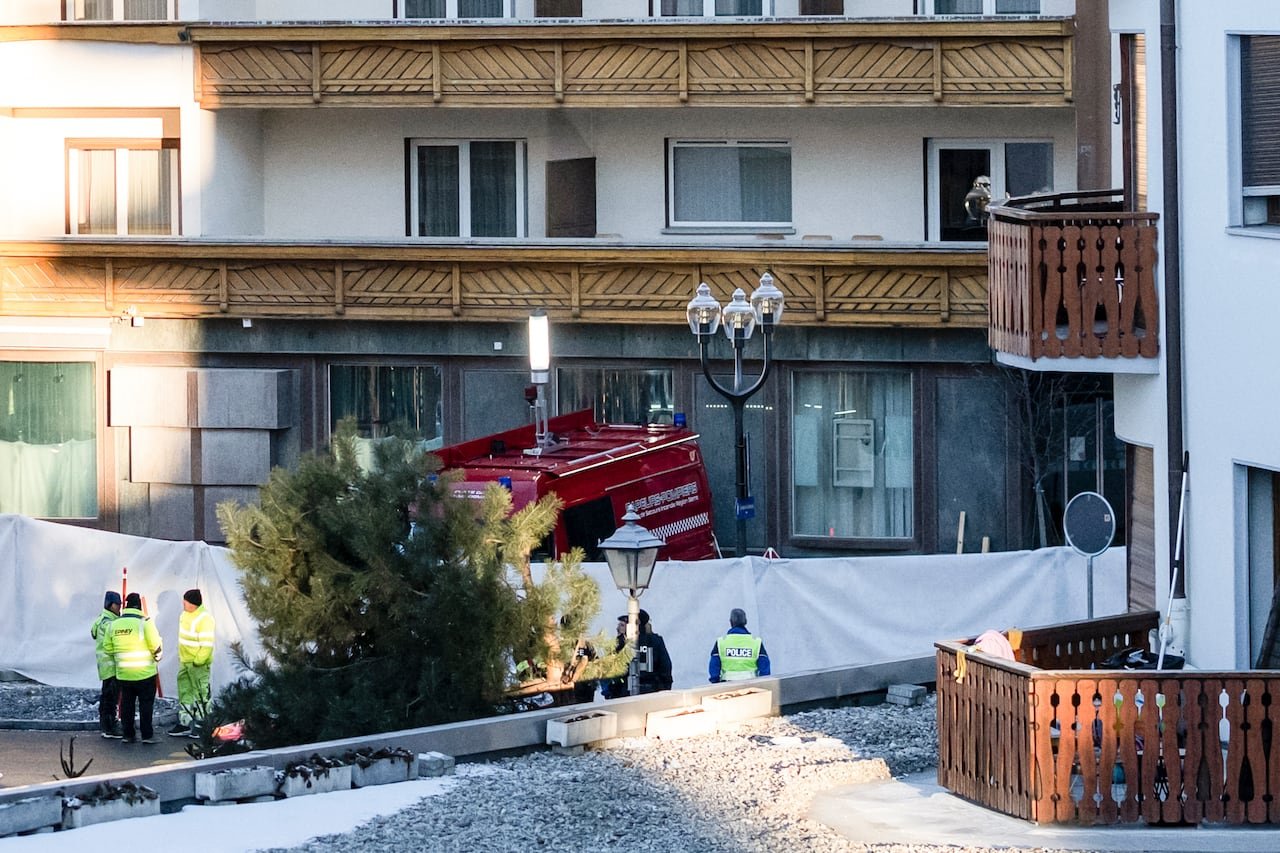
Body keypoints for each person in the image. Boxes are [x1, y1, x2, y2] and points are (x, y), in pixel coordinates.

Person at [104, 592, 163, 744]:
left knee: (126, 705)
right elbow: (155, 645)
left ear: (126, 605)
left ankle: (128, 734)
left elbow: (107, 648)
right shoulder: (145, 623)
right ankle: (147, 735)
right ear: (139, 606)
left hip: (124, 674)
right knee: (146, 705)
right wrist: (157, 658)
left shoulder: (114, 624)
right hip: (145, 673)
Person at [170, 588, 214, 738]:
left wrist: (198, 661)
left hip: (197, 664)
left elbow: (207, 645)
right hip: (185, 661)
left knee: (201, 694)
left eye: (185, 601)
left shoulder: (204, 619)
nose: (183, 604)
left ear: (192, 603)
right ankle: (185, 722)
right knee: (185, 693)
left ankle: (202, 725)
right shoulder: (185, 615)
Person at [602, 609, 673, 698]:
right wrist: (664, 688)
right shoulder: (655, 640)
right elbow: (666, 666)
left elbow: (609, 670)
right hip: (653, 692)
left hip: (625, 694)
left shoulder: (621, 643)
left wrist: (611, 692)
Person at [90, 591, 123, 739]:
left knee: (107, 696)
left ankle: (106, 725)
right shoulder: (109, 623)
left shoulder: (100, 619)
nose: (120, 607)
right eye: (118, 604)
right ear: (110, 604)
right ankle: (110, 727)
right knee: (111, 698)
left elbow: (93, 633)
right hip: (111, 666)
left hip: (105, 666)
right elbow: (115, 642)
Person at [709, 607, 771, 683]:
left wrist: (715, 682)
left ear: (731, 622)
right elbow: (764, 668)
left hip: (726, 686)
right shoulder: (756, 643)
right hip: (751, 686)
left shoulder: (721, 642)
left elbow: (714, 666)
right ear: (745, 621)